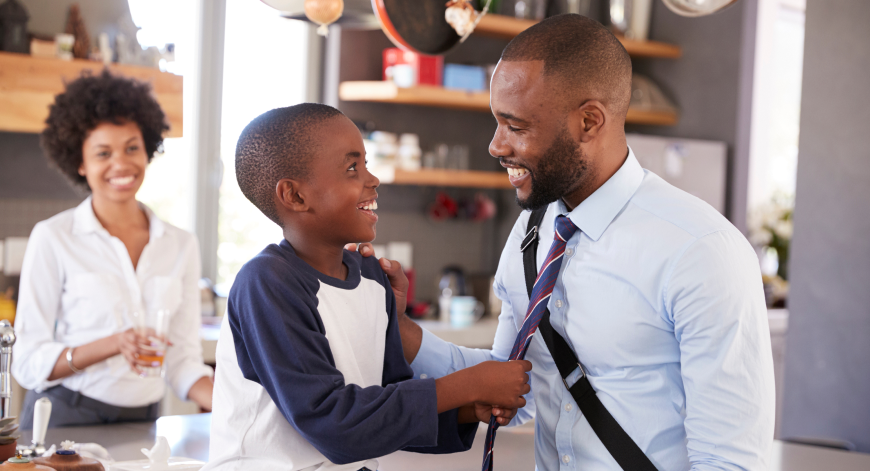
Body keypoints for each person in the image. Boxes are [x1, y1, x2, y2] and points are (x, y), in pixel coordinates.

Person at [362, 14, 776, 470]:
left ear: (589, 122)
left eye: (515, 126)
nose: (495, 146)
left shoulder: (700, 250)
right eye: (496, 122)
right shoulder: (531, 233)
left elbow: (729, 460)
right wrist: (402, 333)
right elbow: (510, 385)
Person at [205, 103, 531, 471]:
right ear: (295, 196)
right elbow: (335, 426)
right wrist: (467, 385)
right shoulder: (267, 284)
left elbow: (386, 410)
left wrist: (470, 410)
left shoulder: (373, 279)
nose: (372, 179)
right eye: (352, 168)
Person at [13, 70, 214, 427]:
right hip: (64, 416)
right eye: (103, 153)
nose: (121, 164)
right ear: (80, 162)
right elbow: (28, 362)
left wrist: (232, 405)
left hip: (146, 421)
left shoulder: (181, 244)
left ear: (148, 149)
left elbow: (182, 359)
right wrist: (112, 344)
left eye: (131, 148)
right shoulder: (54, 237)